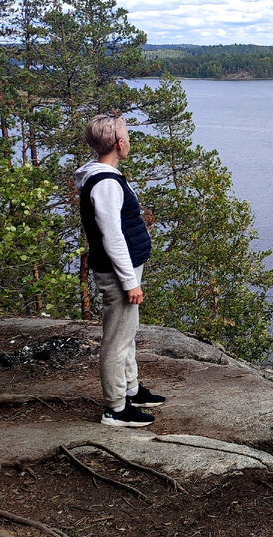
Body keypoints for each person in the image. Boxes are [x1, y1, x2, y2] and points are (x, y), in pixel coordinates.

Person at [76, 114, 166, 427]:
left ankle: (131, 389)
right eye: (126, 135)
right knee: (116, 340)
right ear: (118, 144)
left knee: (127, 332)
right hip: (118, 275)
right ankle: (115, 408)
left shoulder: (103, 176)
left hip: (124, 269)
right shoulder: (106, 184)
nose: (129, 140)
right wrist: (130, 282)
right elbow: (112, 236)